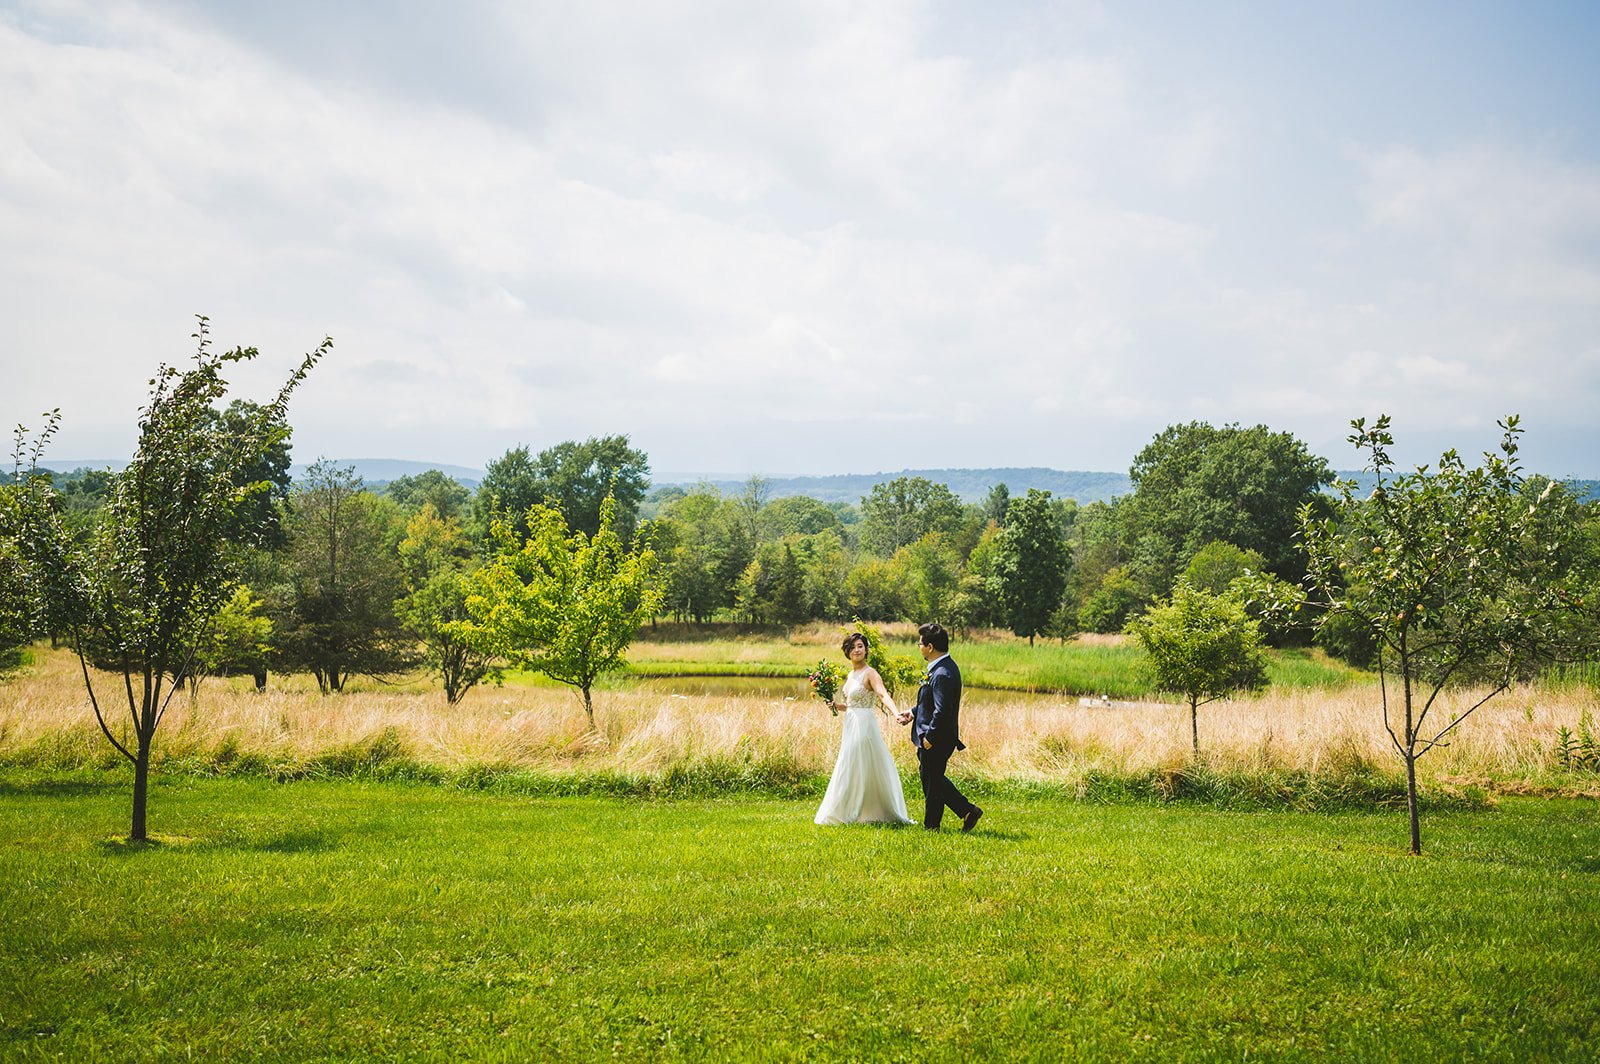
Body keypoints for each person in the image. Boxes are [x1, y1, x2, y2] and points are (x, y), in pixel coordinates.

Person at [814, 633, 912, 826]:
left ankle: (864, 810)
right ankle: (852, 809)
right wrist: (836, 706)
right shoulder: (850, 676)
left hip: (865, 725)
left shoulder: (871, 673)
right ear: (847, 652)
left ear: (866, 650)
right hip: (850, 723)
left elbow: (882, 695)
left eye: (860, 646)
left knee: (857, 762)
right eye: (852, 647)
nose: (856, 650)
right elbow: (852, 705)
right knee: (851, 762)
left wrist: (896, 713)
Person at [896, 622, 982, 832]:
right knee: (931, 779)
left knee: (932, 782)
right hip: (934, 735)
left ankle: (932, 826)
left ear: (930, 647)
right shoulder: (941, 668)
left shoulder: (943, 673)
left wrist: (930, 737)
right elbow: (930, 703)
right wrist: (913, 712)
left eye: (920, 644)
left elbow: (942, 711)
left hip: (938, 738)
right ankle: (967, 811)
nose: (919, 647)